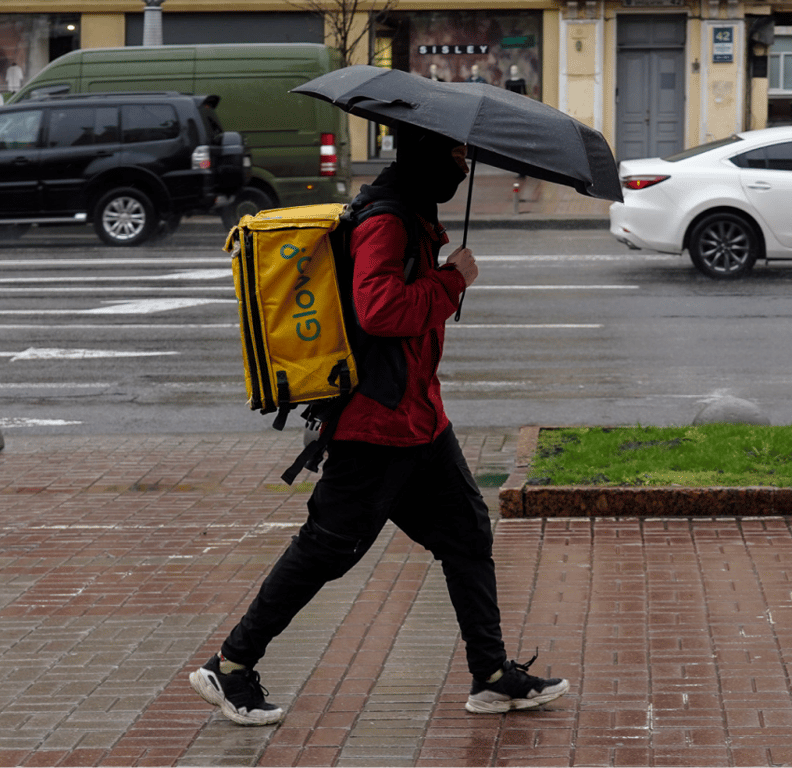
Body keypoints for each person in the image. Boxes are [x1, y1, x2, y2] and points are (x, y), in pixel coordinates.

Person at [189, 124, 569, 726]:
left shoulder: (411, 213)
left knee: (468, 534)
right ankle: (230, 665)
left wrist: (442, 274)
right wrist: (454, 279)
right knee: (327, 549)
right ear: (423, 155)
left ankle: (492, 676)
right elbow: (381, 310)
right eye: (454, 152)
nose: (463, 165)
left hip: (418, 419)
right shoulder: (387, 221)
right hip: (377, 422)